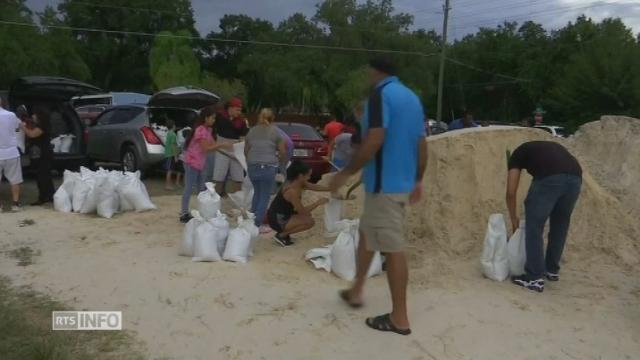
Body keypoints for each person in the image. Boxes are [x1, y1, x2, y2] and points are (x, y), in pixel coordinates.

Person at [329, 57, 427, 336]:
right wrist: (418, 178)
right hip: (395, 184)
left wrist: (345, 173)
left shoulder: (379, 95)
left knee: (392, 246)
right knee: (367, 234)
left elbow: (374, 139)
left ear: (374, 71)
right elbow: (421, 143)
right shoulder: (411, 98)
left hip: (385, 185)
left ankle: (400, 318)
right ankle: (357, 290)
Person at [507, 141, 582, 293]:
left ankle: (534, 277)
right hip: (576, 177)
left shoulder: (516, 155)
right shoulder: (541, 148)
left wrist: (514, 219)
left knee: (534, 225)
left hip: (550, 177)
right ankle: (551, 270)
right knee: (560, 224)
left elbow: (510, 192)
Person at [180, 106, 233, 223]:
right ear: (206, 118)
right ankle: (184, 212)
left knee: (202, 190)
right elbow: (206, 148)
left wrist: (229, 151)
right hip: (192, 162)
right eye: (212, 118)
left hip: (201, 163)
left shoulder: (207, 130)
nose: (214, 120)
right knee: (189, 187)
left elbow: (214, 145)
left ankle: (203, 211)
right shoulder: (200, 130)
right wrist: (222, 145)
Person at [267, 160, 331, 247]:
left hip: (283, 213)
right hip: (277, 219)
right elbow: (303, 212)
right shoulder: (292, 191)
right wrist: (318, 203)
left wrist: (330, 188)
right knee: (309, 221)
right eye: (308, 175)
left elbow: (315, 186)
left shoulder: (297, 181)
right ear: (300, 176)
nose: (309, 177)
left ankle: (285, 233)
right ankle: (281, 235)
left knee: (307, 216)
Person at [244, 108, 286, 232]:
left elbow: (246, 150)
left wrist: (250, 161)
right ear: (272, 118)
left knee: (257, 192)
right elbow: (283, 151)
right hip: (268, 166)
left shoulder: (252, 131)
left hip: (252, 166)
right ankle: (257, 225)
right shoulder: (276, 132)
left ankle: (251, 220)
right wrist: (279, 162)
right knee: (264, 196)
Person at [213, 97, 249, 196]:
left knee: (238, 178)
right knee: (218, 177)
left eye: (240, 110)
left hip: (236, 153)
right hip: (221, 150)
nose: (239, 112)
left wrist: (241, 146)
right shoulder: (219, 116)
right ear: (230, 108)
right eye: (237, 109)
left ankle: (238, 203)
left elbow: (243, 137)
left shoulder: (242, 121)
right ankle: (216, 199)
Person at [21, 107, 55, 206]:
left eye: (35, 114)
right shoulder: (39, 125)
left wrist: (22, 127)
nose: (33, 116)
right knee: (43, 176)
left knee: (43, 177)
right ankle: (47, 196)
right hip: (40, 154)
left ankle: (45, 197)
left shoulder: (43, 127)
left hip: (44, 154)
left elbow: (32, 134)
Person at [0, 97, 23, 212]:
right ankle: (15, 204)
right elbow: (17, 128)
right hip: (12, 152)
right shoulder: (11, 115)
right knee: (15, 180)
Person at [164, 119, 182, 190]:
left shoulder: (168, 133)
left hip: (167, 153)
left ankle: (168, 184)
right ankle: (167, 185)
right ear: (173, 126)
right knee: (170, 170)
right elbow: (173, 146)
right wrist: (175, 156)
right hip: (171, 154)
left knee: (169, 170)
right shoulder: (173, 135)